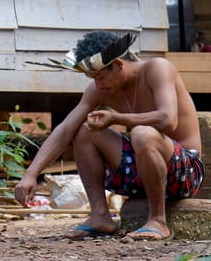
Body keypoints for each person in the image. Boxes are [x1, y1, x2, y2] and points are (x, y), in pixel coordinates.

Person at [15, 31, 205, 241]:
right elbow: (65, 129)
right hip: (140, 173)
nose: (98, 85)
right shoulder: (100, 90)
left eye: (100, 77)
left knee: (142, 133)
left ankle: (158, 221)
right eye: (93, 79)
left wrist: (116, 118)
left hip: (185, 173)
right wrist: (31, 174)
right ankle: (100, 216)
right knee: (85, 130)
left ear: (118, 64)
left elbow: (168, 119)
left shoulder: (157, 68)